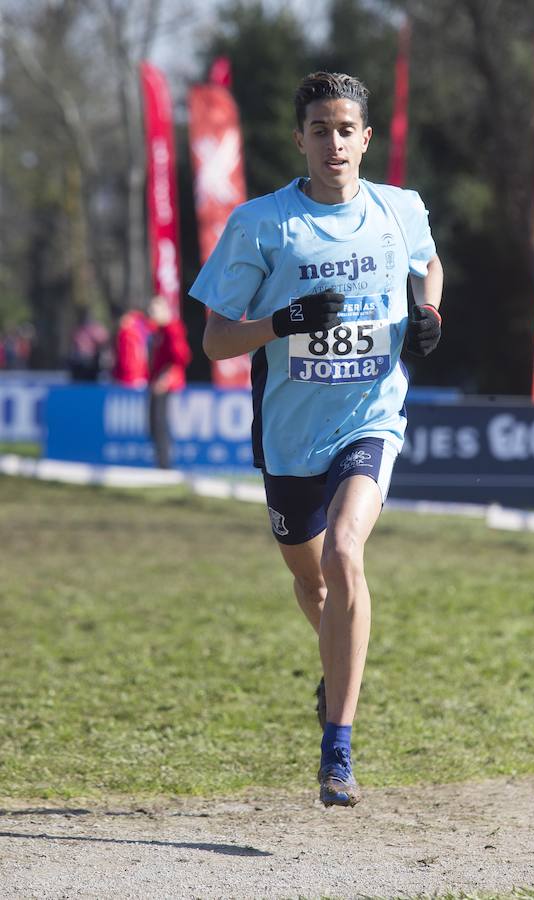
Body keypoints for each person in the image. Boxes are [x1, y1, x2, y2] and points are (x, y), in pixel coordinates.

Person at [189, 72, 443, 808]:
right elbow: (213, 341)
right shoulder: (261, 224)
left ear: (366, 139)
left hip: (370, 417)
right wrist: (284, 322)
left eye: (346, 129)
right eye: (319, 129)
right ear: (298, 139)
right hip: (289, 438)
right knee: (316, 584)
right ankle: (338, 666)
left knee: (344, 550)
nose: (333, 142)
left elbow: (430, 266)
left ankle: (339, 750)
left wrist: (428, 313)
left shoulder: (399, 209)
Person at [147, 294, 191, 469]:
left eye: (155, 309)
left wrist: (166, 378)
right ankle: (160, 462)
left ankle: (164, 465)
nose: (151, 313)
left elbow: (181, 357)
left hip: (165, 383)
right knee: (153, 424)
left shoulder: (172, 329)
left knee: (160, 423)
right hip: (157, 382)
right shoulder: (158, 331)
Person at [112, 309, 151, 388]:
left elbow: (128, 359)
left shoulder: (127, 334)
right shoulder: (142, 329)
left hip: (130, 378)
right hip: (139, 376)